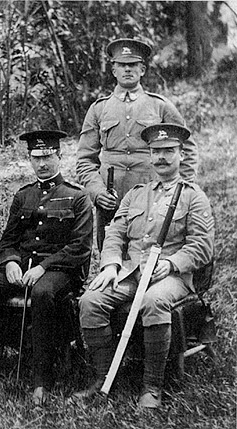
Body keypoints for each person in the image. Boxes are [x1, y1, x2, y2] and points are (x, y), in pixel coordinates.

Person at [0, 130, 93, 404]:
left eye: (48, 156)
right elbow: (8, 241)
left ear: (60, 156)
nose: (43, 163)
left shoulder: (77, 197)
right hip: (21, 269)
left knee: (43, 293)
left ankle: (41, 381)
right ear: (30, 160)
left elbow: (80, 248)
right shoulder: (23, 196)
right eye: (37, 157)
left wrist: (44, 267)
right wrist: (10, 261)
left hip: (60, 272)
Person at [76, 124, 214, 409]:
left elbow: (202, 246)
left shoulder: (193, 197)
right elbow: (115, 232)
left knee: (153, 301)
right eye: (156, 152)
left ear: (181, 155)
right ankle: (103, 379)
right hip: (132, 271)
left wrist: (171, 263)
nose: (162, 158)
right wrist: (111, 265)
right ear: (150, 156)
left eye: (168, 151)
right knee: (91, 300)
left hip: (171, 276)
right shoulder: (136, 194)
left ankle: (152, 386)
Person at [76, 38, 198, 251]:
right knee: (111, 251)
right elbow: (85, 159)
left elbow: (187, 147)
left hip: (152, 193)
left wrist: (179, 189)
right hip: (111, 197)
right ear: (113, 70)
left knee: (151, 251)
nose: (127, 70)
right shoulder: (99, 109)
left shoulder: (159, 106)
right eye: (122, 65)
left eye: (133, 65)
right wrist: (97, 192)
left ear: (142, 69)